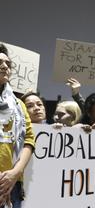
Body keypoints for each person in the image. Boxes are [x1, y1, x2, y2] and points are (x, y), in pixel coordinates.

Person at [0, 44, 35, 207]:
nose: (5, 66)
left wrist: (16, 172)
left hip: (11, 184)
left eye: (8, 64)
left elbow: (29, 140)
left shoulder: (19, 105)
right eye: (0, 62)